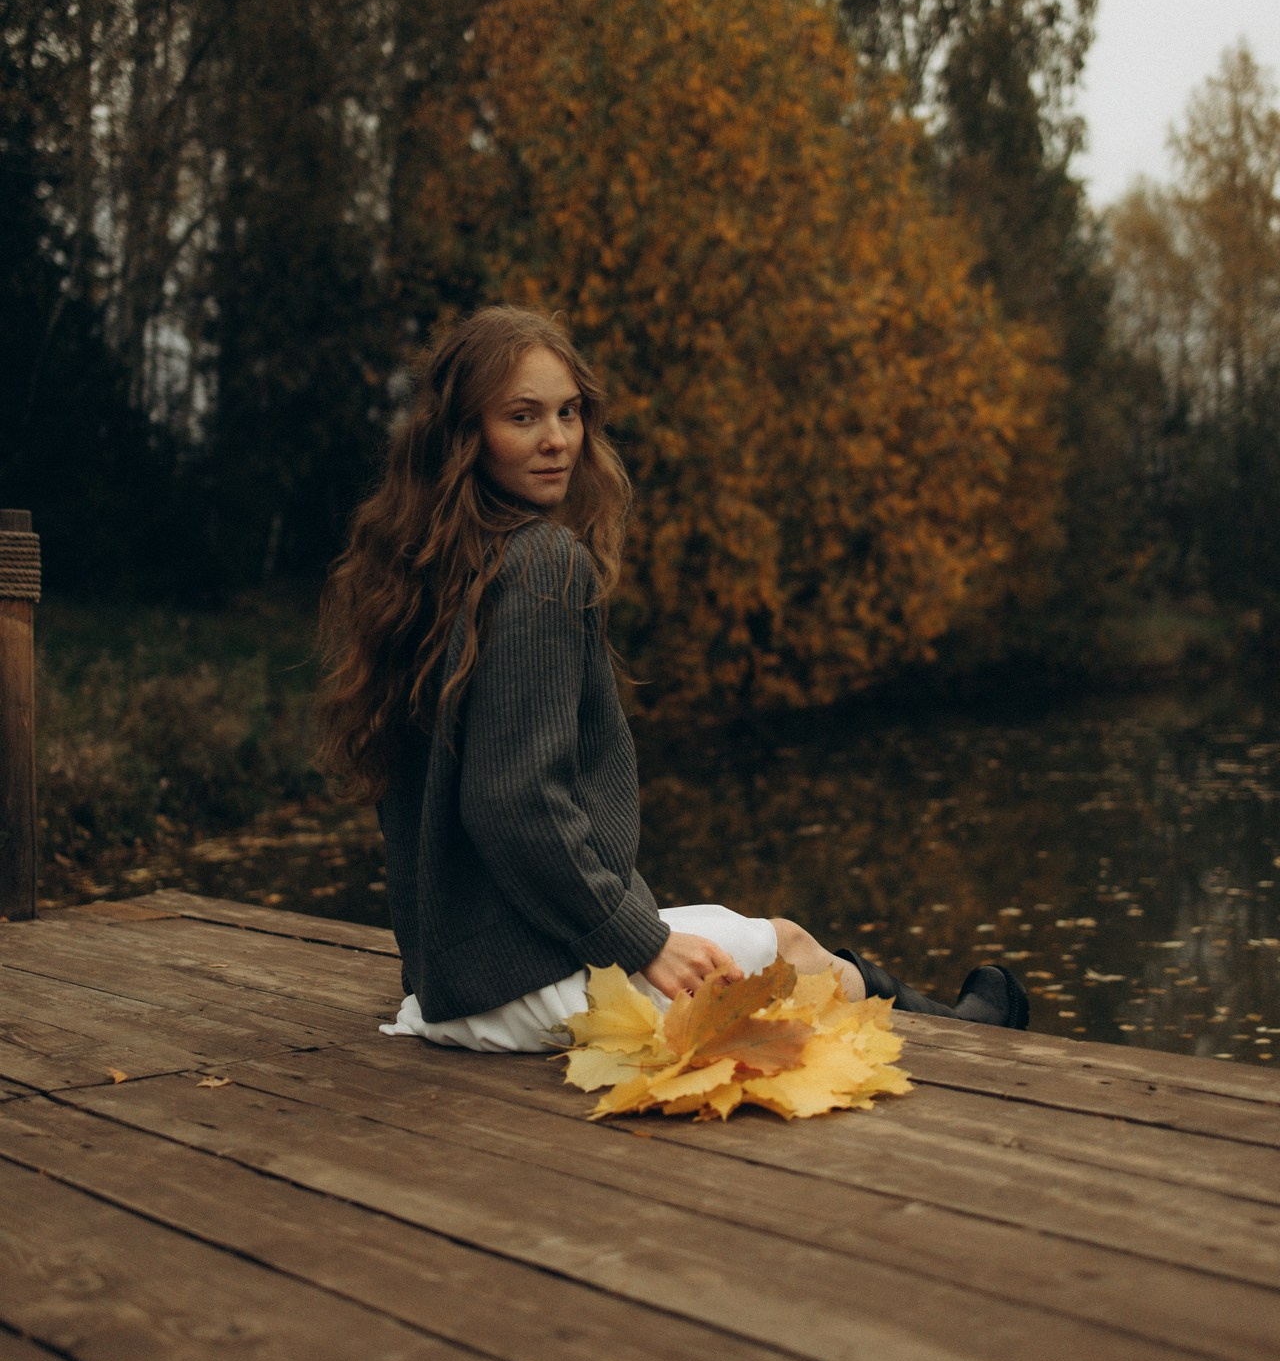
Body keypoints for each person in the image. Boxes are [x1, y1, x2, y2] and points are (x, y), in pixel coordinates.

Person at [318, 305, 1029, 1053]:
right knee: (785, 947)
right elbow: (515, 803)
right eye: (523, 417)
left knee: (765, 939)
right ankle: (964, 1037)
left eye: (569, 412)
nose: (557, 440)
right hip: (529, 989)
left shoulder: (424, 568)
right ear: (466, 433)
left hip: (450, 985)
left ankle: (937, 1016)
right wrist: (638, 940)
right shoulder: (540, 563)